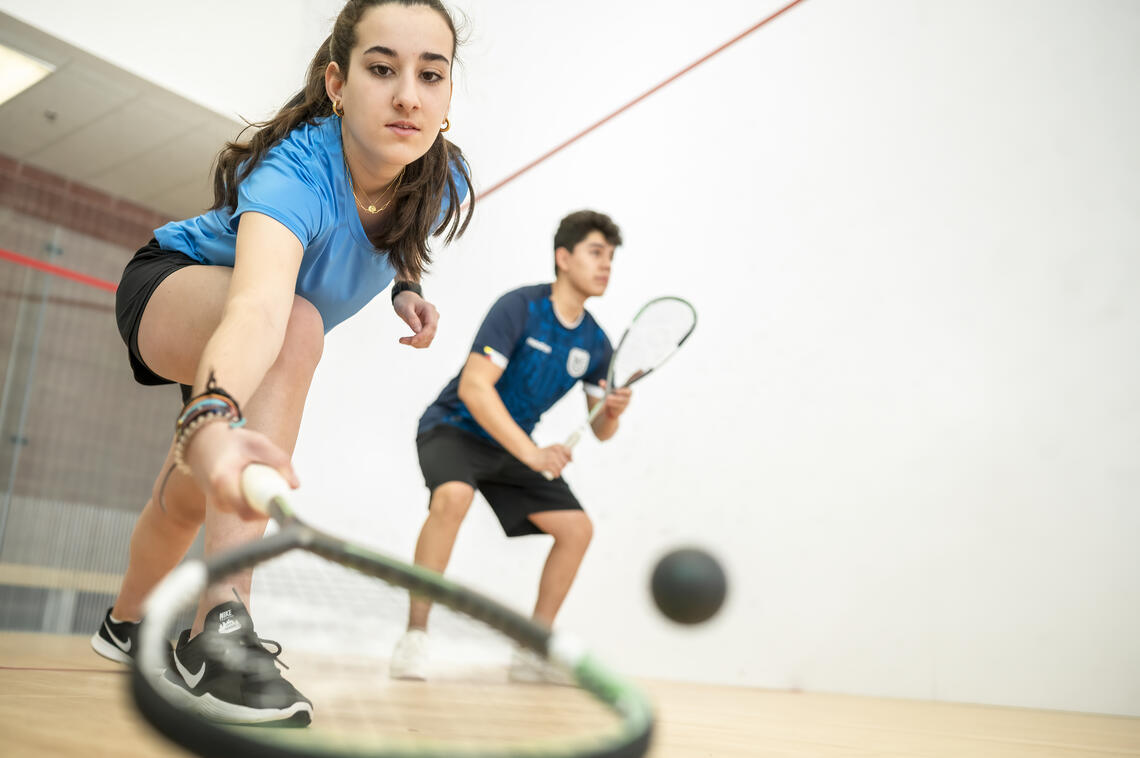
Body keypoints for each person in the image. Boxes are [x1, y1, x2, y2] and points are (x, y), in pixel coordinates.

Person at [88, 0, 473, 725]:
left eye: (431, 75)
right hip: (174, 290)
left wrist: (407, 287)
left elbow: (400, 234)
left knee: (188, 498)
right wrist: (210, 415)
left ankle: (125, 623)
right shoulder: (294, 173)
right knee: (297, 323)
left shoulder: (437, 176)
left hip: (253, 343)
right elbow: (258, 310)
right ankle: (220, 627)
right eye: (382, 69)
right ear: (337, 81)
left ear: (449, 94)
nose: (407, 95)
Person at [389, 210, 631, 682]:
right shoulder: (519, 308)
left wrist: (614, 412)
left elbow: (601, 429)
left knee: (577, 530)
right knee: (453, 496)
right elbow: (475, 390)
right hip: (453, 427)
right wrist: (534, 454)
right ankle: (414, 637)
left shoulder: (596, 343)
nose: (606, 266)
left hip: (509, 444)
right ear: (563, 257)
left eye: (611, 258)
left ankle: (532, 649)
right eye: (596, 253)